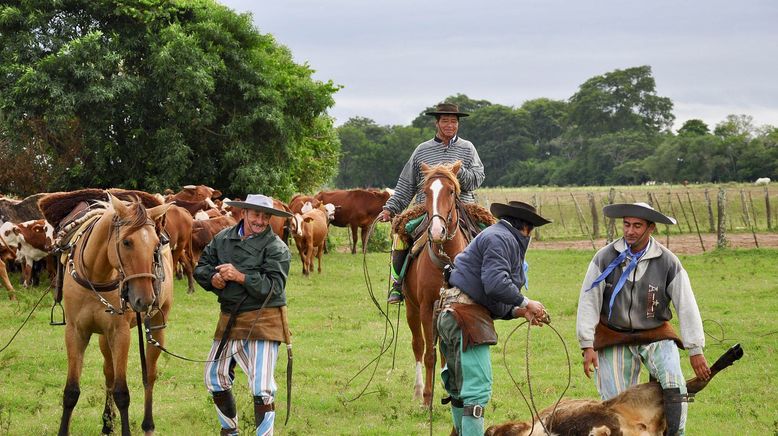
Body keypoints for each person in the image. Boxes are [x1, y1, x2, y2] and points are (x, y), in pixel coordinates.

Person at [576, 202, 712, 436]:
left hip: (655, 333)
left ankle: (675, 434)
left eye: (637, 226)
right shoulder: (604, 257)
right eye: (627, 224)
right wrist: (587, 344)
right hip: (613, 334)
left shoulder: (668, 262)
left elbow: (686, 305)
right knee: (613, 404)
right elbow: (589, 300)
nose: (630, 231)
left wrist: (695, 349)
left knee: (674, 385)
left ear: (651, 228)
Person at [438, 201, 550, 435]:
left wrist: (519, 311)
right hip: (465, 318)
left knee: (459, 391)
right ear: (527, 228)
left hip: (452, 314)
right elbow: (496, 283)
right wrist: (526, 302)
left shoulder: (497, 235)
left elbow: (487, 293)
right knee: (476, 394)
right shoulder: (502, 239)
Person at [194, 194, 293, 436]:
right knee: (214, 377)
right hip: (229, 317)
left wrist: (240, 277)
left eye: (265, 216)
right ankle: (230, 432)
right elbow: (202, 267)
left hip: (264, 319)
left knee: (261, 387)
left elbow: (275, 288)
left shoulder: (276, 247)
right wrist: (213, 279)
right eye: (256, 215)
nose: (260, 220)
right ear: (244, 213)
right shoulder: (222, 238)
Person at [378, 102, 485, 304]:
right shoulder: (422, 151)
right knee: (402, 233)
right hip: (426, 207)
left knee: (488, 234)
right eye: (445, 121)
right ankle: (398, 284)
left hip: (463, 207)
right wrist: (390, 208)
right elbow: (406, 183)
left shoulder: (468, 149)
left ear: (458, 125)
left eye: (453, 122)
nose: (449, 125)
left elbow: (478, 178)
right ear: (437, 123)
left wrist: (457, 172)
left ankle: (493, 284)